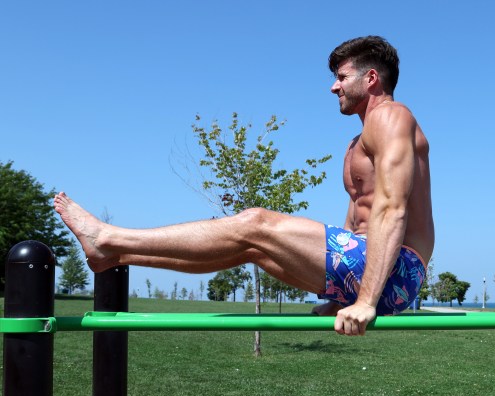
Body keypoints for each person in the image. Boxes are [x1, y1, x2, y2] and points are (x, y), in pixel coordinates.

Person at [54, 35, 434, 336]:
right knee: (250, 247)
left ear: (371, 79)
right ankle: (116, 255)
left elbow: (390, 208)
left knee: (255, 223)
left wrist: (366, 300)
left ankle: (108, 238)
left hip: (397, 269)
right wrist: (339, 299)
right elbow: (355, 225)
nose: (333, 87)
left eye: (341, 77)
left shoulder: (391, 117)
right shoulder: (357, 142)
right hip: (369, 264)